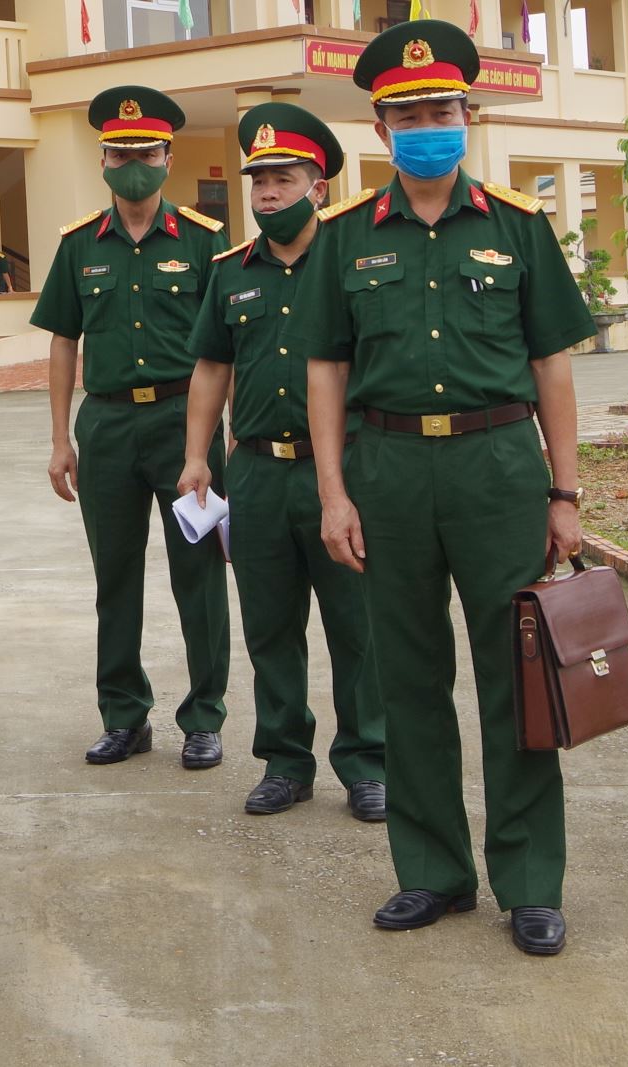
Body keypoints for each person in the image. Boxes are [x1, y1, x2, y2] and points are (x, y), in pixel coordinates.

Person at [287, 20, 593, 955]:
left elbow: (552, 366)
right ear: (381, 130)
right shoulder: (344, 236)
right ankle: (431, 871)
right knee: (409, 676)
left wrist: (565, 492)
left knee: (517, 676)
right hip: (386, 471)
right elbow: (326, 370)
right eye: (409, 115)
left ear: (469, 115)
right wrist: (333, 492)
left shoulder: (518, 226)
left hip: (496, 467)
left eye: (442, 110)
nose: (428, 127)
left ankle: (530, 881)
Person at [178, 102, 387, 821]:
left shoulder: (354, 261)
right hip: (259, 471)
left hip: (344, 471)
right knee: (269, 626)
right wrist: (197, 457)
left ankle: (367, 762)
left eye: (284, 179)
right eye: (259, 181)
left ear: (319, 187)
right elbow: (212, 367)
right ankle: (285, 761)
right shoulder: (231, 271)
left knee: (357, 625)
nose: (268, 194)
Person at [30, 85, 232, 770]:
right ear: (104, 162)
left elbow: (225, 347)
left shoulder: (205, 241)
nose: (133, 166)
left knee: (197, 576)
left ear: (168, 159)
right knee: (113, 577)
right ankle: (124, 715)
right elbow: (63, 341)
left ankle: (203, 717)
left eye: (146, 154)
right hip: (108, 425)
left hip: (184, 425)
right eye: (120, 155)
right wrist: (60, 438)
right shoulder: (79, 245)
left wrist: (222, 437)